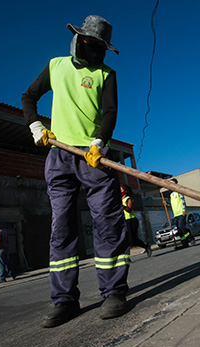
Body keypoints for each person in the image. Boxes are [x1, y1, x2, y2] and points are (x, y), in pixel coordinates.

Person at [21, 15, 130, 327]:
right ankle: (64, 300)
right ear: (78, 39)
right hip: (60, 155)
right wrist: (35, 124)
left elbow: (110, 112)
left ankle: (113, 292)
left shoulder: (106, 74)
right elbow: (28, 96)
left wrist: (99, 141)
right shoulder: (56, 66)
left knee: (108, 223)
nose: (95, 50)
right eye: (90, 43)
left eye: (100, 47)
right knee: (62, 228)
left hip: (94, 157)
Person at [121, 185, 152, 257]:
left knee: (132, 240)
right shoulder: (119, 200)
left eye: (122, 189)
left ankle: (146, 246)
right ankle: (126, 256)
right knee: (125, 239)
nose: (120, 191)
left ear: (125, 191)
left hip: (131, 220)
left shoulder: (128, 199)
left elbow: (129, 210)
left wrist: (123, 207)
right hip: (124, 221)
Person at [167, 178, 195, 249]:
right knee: (179, 229)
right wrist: (166, 204)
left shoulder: (179, 192)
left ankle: (190, 238)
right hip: (176, 214)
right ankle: (184, 243)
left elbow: (183, 201)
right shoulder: (171, 195)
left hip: (181, 213)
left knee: (182, 227)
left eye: (172, 183)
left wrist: (183, 210)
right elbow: (173, 204)